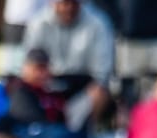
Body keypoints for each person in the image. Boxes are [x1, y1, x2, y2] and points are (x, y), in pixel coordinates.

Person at [22, 0, 115, 130]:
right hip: (48, 84)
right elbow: (29, 65)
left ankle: (85, 135)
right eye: (64, 3)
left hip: (83, 86)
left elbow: (102, 73)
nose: (68, 8)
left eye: (73, 3)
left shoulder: (98, 23)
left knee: (100, 93)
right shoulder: (38, 24)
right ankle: (39, 132)